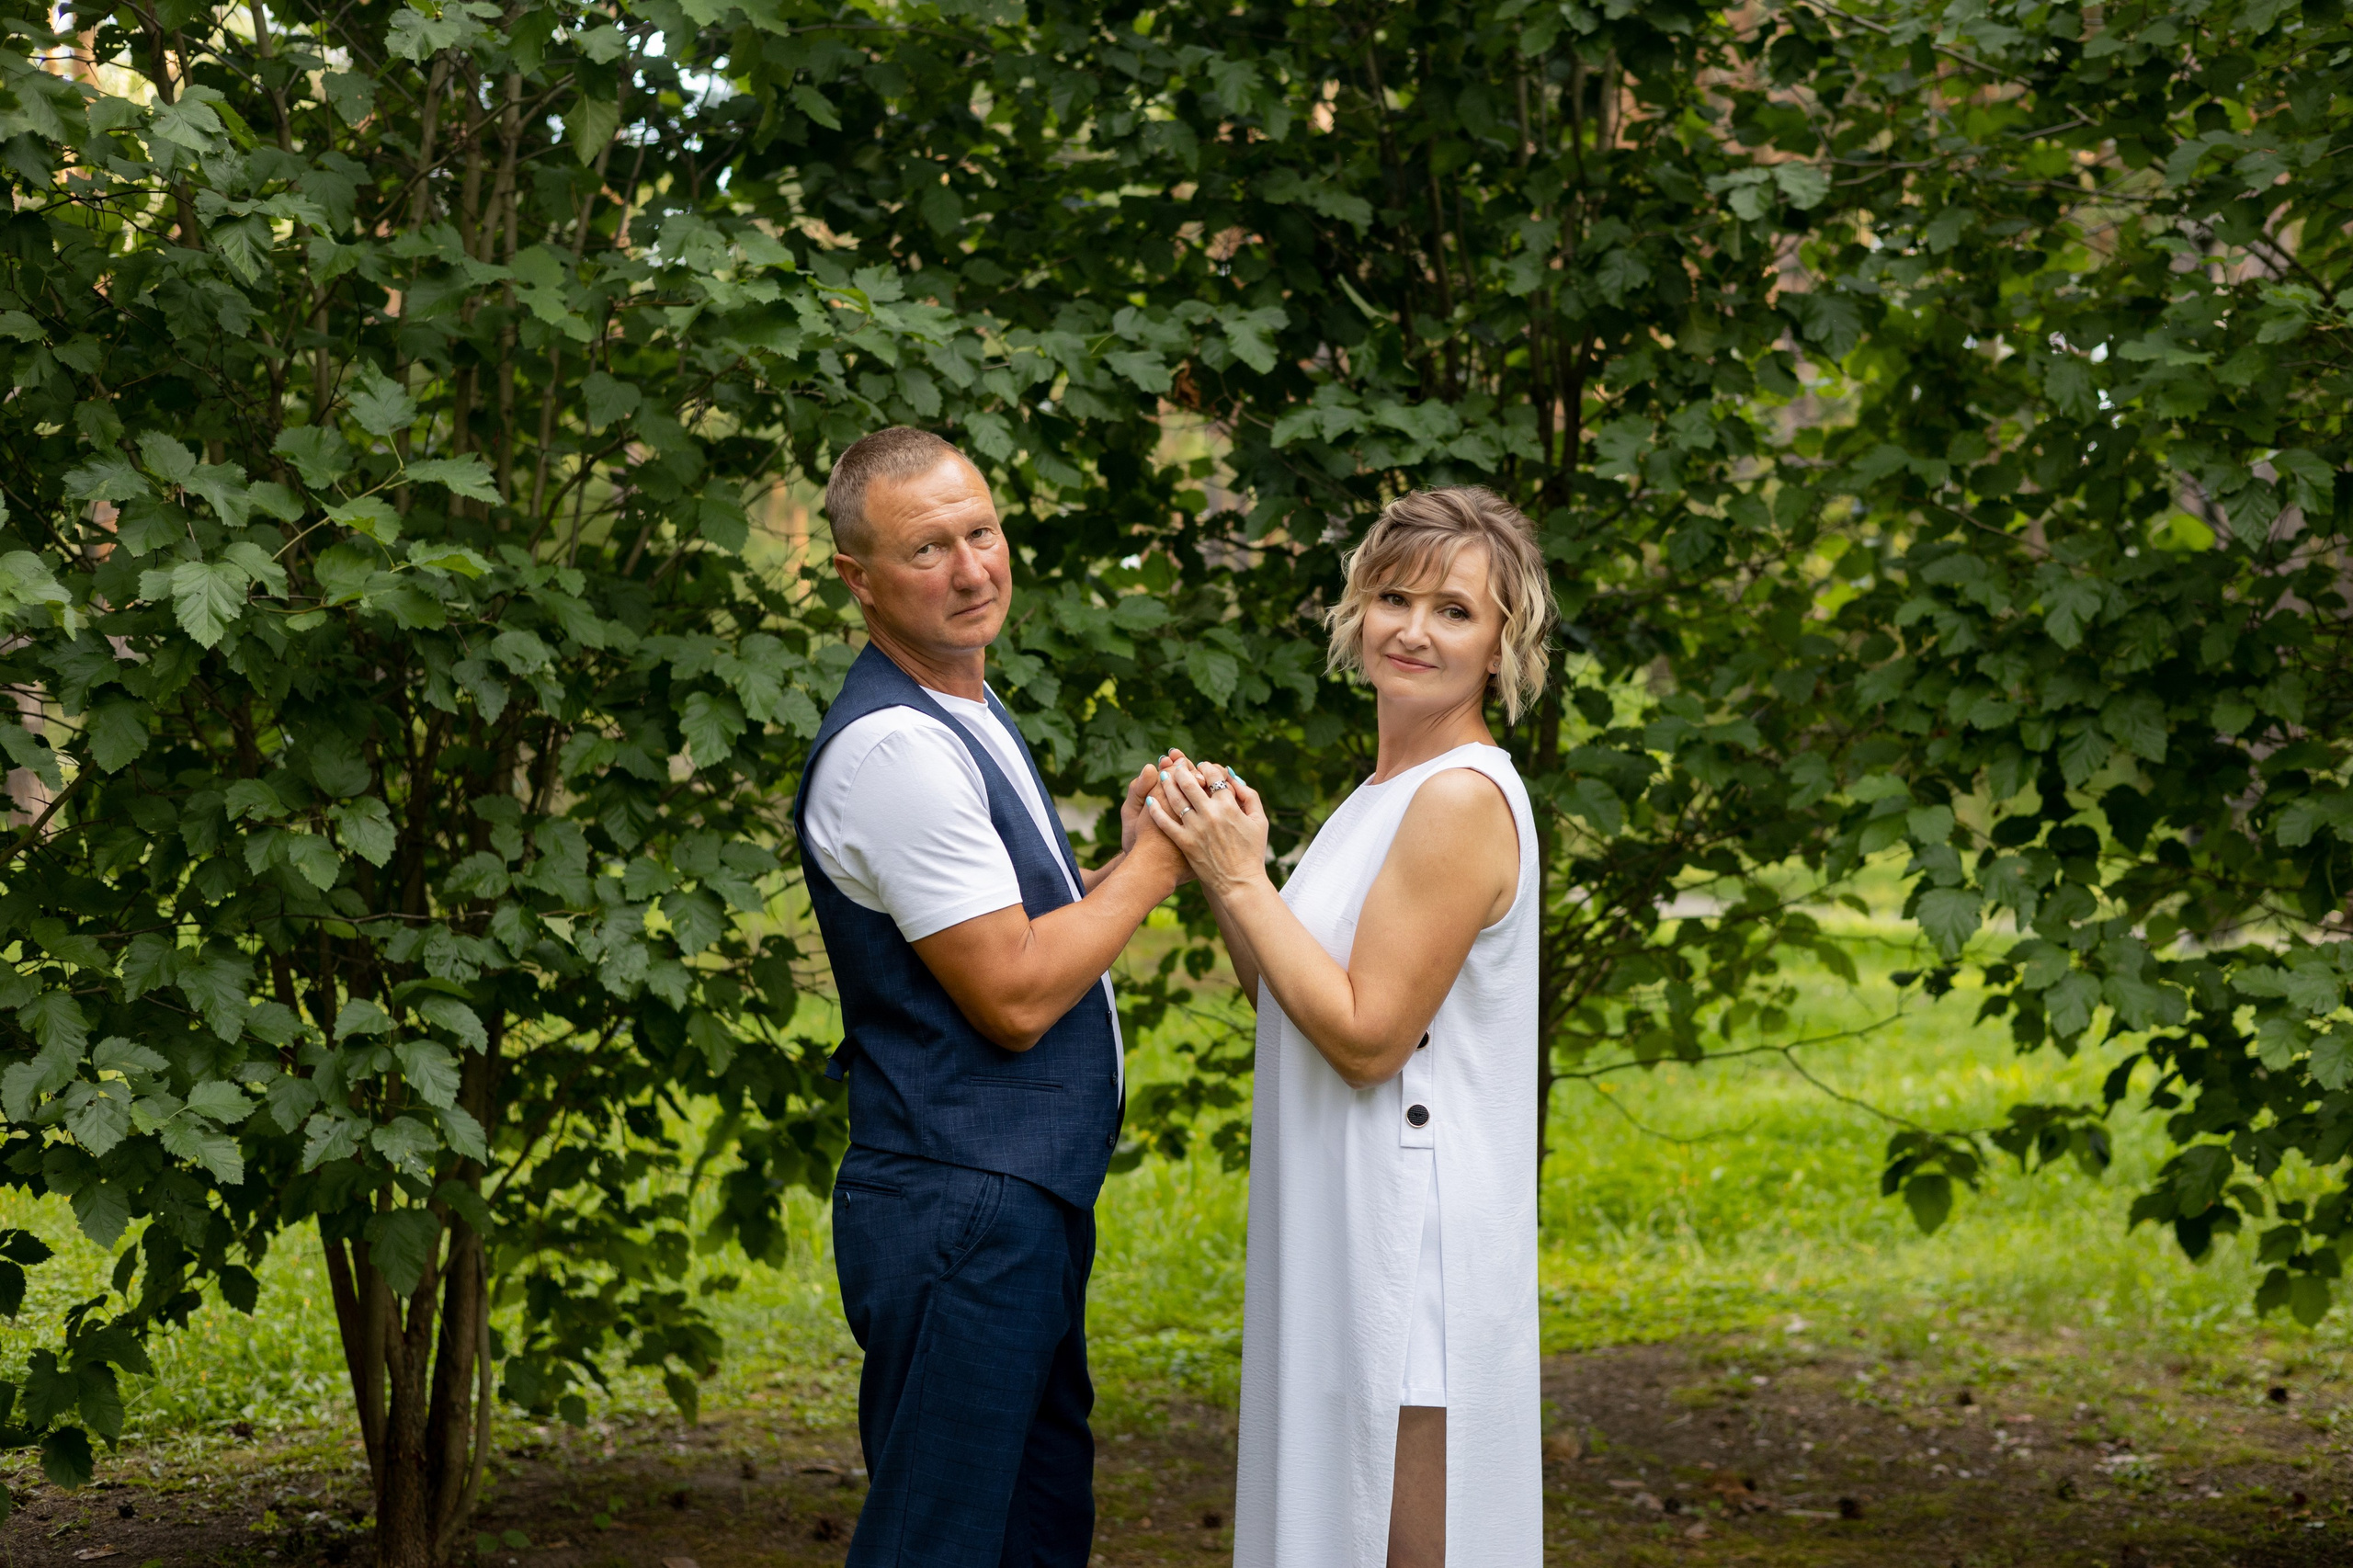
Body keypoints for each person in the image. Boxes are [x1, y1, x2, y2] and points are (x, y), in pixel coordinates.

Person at [794, 426, 1186, 1567]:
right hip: (963, 1206)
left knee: (1031, 1529)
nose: (971, 569)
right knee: (944, 1541)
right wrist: (1167, 861)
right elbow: (1013, 997)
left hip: (1014, 1195)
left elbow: (1030, 940)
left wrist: (1117, 866)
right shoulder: (894, 751)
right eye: (927, 549)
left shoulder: (962, 711)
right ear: (856, 580)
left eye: (982, 531)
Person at [1145, 486, 1555, 1568]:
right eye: (1393, 596)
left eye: (1456, 610)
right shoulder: (1379, 792)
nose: (1415, 629)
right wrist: (1222, 863)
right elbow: (1293, 999)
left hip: (1407, 1242)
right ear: (1354, 612)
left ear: (1503, 642)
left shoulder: (1459, 798)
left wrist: (1244, 879)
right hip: (1336, 1210)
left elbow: (1369, 1041)